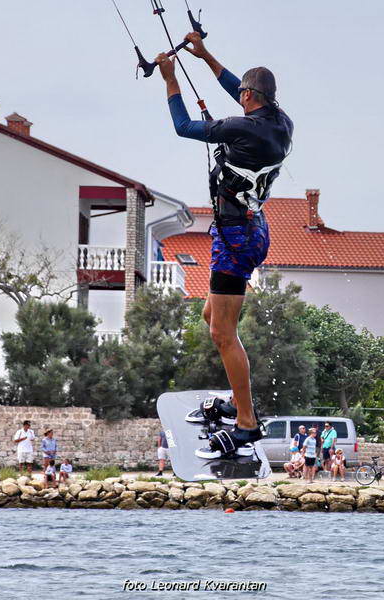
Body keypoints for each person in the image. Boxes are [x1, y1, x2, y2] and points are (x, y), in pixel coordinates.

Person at [156, 33, 293, 460]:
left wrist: (170, 78)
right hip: (248, 229)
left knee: (221, 332)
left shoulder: (240, 127)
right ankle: (238, 400)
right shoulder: (280, 122)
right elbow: (240, 88)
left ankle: (246, 422)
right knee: (211, 316)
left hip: (236, 238)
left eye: (242, 94)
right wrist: (205, 55)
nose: (239, 96)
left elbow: (183, 127)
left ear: (249, 97)